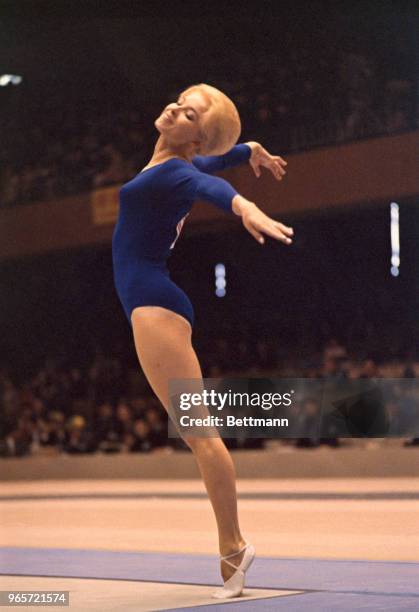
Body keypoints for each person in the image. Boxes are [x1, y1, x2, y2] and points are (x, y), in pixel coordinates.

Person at [112, 82, 293, 598]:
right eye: (178, 101)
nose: (172, 107)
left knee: (200, 435)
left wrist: (244, 207)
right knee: (198, 433)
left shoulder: (175, 170)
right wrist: (249, 150)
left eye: (188, 113)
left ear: (195, 138)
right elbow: (213, 166)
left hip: (152, 303)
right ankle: (232, 547)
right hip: (154, 302)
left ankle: (233, 547)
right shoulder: (173, 161)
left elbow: (211, 187)